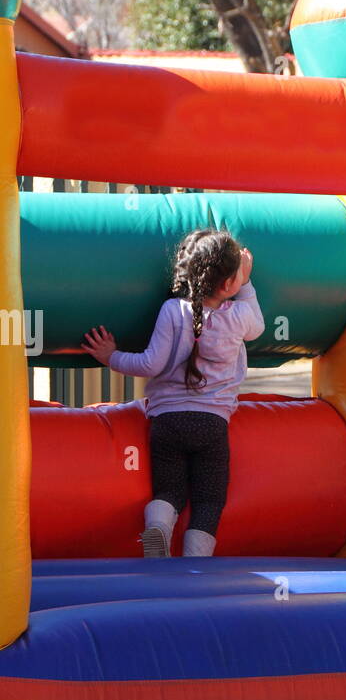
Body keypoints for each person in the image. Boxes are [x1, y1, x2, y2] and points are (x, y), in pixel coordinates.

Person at [81, 227, 265, 559]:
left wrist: (111, 357)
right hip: (211, 424)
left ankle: (159, 528)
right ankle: (195, 564)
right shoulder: (238, 316)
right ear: (228, 285)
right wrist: (247, 283)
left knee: (169, 491)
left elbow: (150, 363)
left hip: (166, 422)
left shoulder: (172, 310)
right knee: (209, 499)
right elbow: (259, 325)